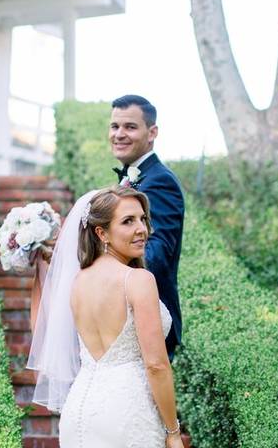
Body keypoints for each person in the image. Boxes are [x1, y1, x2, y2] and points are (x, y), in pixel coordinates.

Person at [28, 187, 183, 448]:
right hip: (128, 411)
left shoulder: (76, 282)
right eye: (128, 221)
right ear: (102, 233)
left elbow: (42, 329)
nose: (142, 229)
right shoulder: (138, 280)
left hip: (78, 411)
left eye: (143, 219)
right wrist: (173, 431)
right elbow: (156, 364)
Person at [109, 94, 185, 359]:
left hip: (147, 320)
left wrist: (104, 274)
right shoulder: (130, 179)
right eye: (114, 126)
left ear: (152, 132)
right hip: (123, 321)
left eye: (130, 127)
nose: (119, 134)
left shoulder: (160, 182)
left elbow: (156, 252)